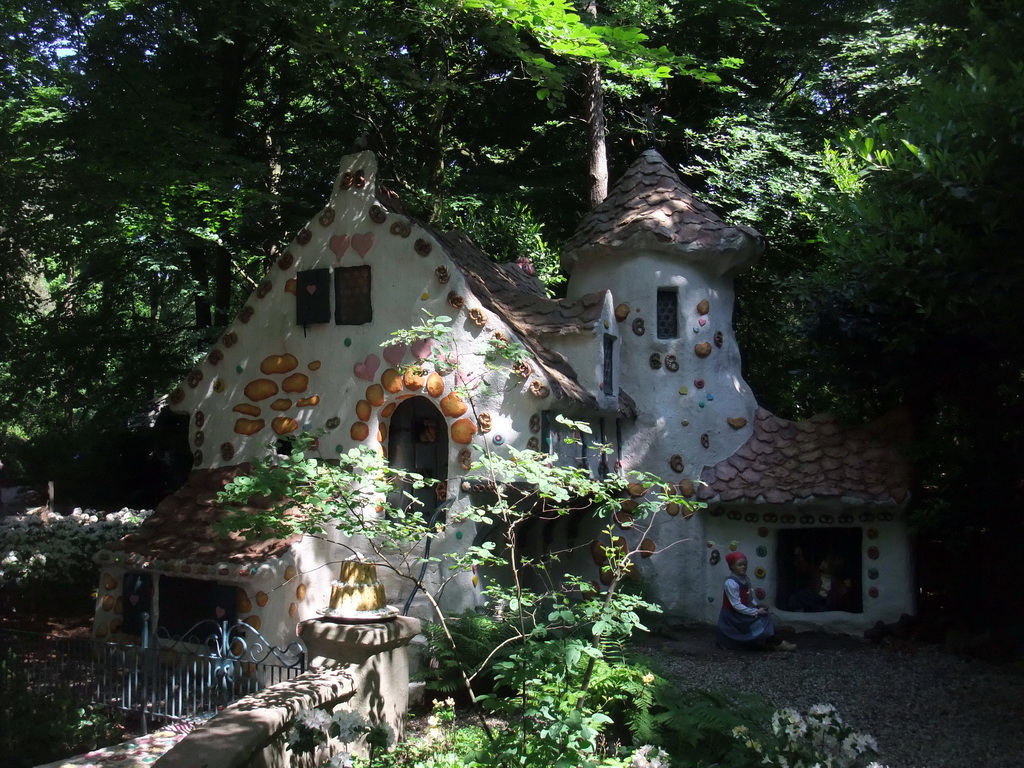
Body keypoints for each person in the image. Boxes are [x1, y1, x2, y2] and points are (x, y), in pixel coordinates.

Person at [717, 551, 796, 651]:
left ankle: (772, 642)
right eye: (740, 565)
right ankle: (776, 642)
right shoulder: (730, 583)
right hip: (733, 615)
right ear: (732, 566)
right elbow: (736, 604)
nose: (743, 567)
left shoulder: (744, 579)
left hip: (742, 610)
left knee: (765, 615)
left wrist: (756, 605)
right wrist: (755, 611)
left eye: (745, 565)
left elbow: (748, 597)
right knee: (760, 618)